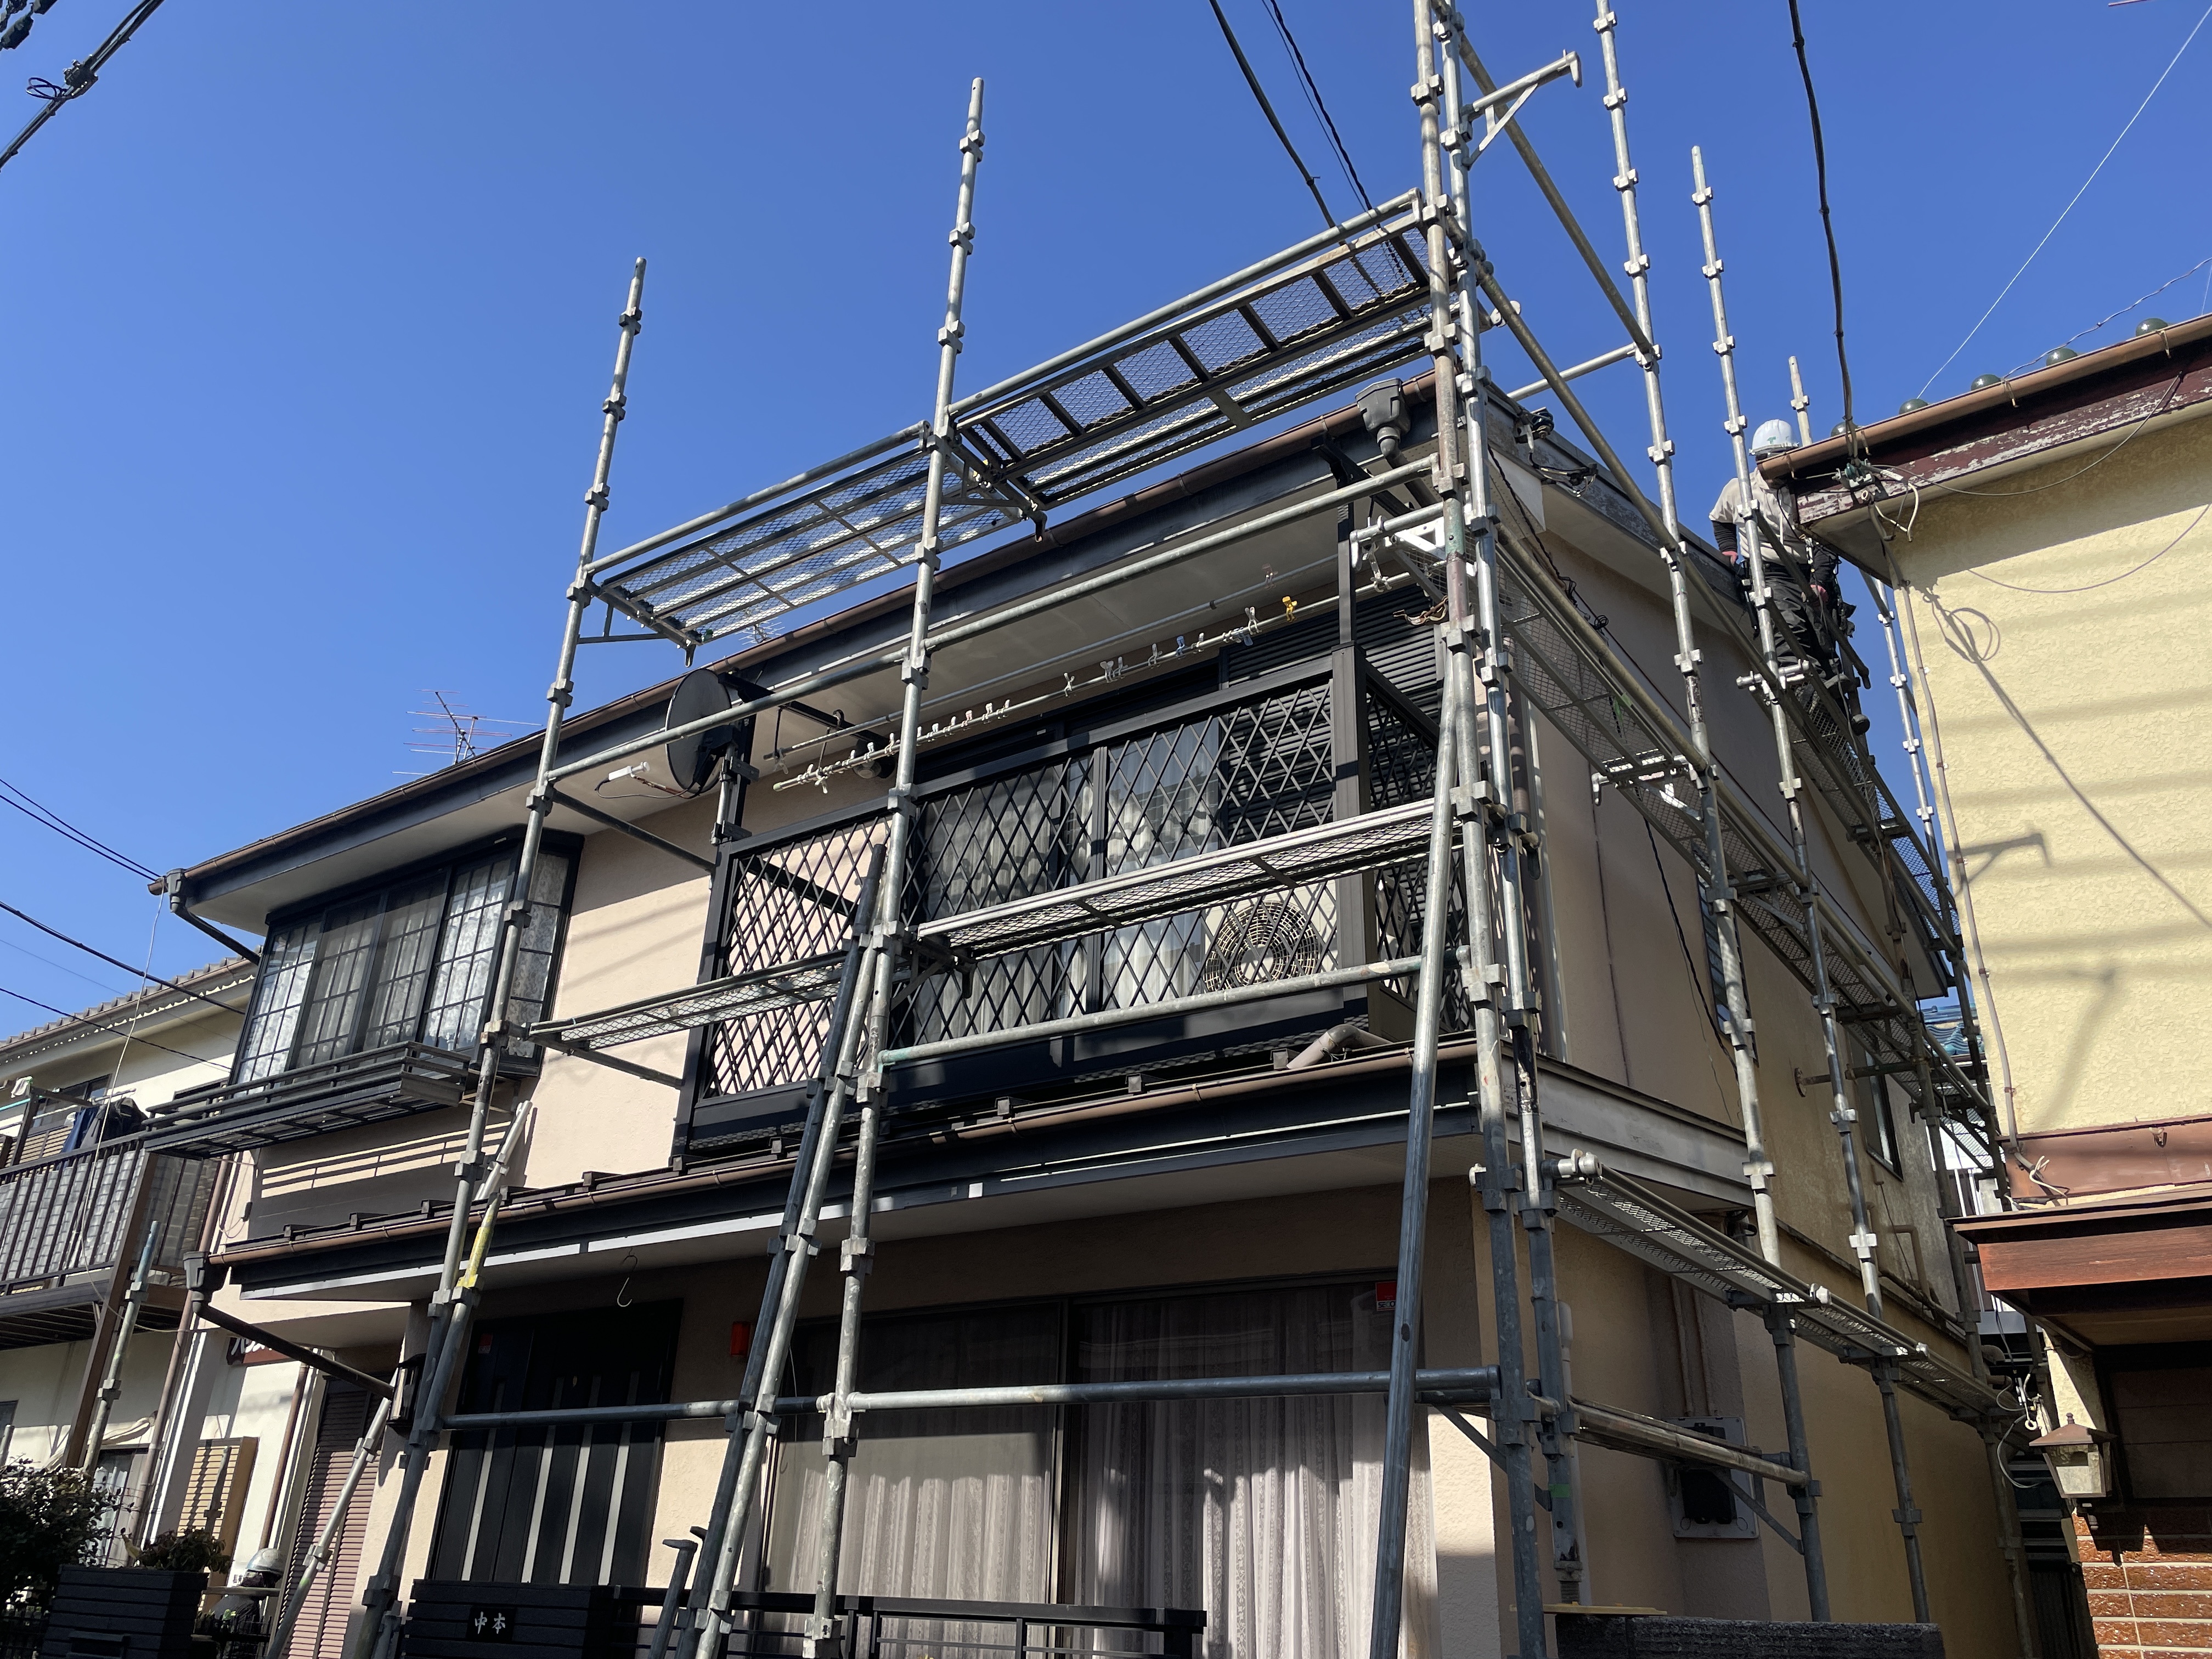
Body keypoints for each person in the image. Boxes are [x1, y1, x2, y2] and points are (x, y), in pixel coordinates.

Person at [1709, 420, 1871, 735]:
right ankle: (1811, 696)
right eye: (1763, 459)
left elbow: (1825, 539)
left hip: (1807, 571)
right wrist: (1729, 550)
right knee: (1789, 627)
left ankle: (1840, 716)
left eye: (1776, 459)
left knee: (1823, 639)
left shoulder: (1805, 488)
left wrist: (1820, 582)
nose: (1769, 467)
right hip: (1770, 571)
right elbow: (1720, 520)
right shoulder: (1741, 488)